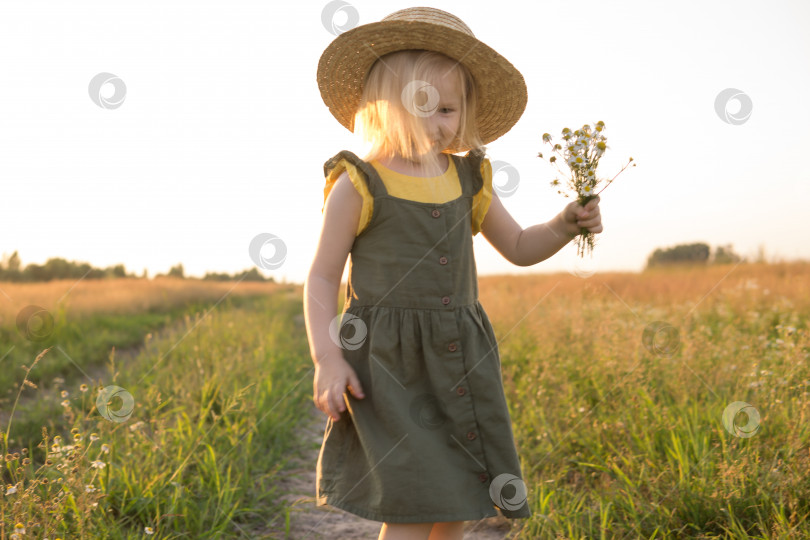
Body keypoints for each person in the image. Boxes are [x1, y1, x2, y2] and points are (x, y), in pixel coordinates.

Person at [305, 7, 603, 540]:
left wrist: (563, 224)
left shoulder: (467, 177)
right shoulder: (359, 183)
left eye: (449, 108)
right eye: (422, 105)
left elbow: (517, 246)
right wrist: (327, 358)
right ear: (383, 105)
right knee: (415, 500)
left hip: (461, 359)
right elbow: (323, 277)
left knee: (461, 495)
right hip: (389, 366)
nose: (438, 121)